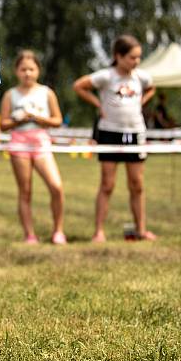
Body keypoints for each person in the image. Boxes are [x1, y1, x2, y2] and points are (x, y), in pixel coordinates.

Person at [73, 35, 156, 243]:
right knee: (107, 184)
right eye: (131, 57)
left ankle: (141, 230)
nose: (136, 62)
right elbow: (79, 86)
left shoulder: (141, 77)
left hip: (136, 133)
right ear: (118, 56)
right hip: (110, 132)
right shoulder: (106, 76)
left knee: (137, 184)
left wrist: (142, 101)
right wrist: (98, 105)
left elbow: (152, 88)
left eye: (138, 58)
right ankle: (99, 231)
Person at [0, 50, 66, 245]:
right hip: (19, 143)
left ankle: (58, 231)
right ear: (17, 71)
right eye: (23, 69)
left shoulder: (47, 93)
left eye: (31, 69)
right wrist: (17, 121)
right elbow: (3, 124)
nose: (27, 73)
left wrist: (37, 118)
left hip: (41, 142)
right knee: (25, 191)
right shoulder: (10, 95)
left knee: (56, 186)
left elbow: (57, 120)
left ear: (38, 70)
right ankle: (30, 235)